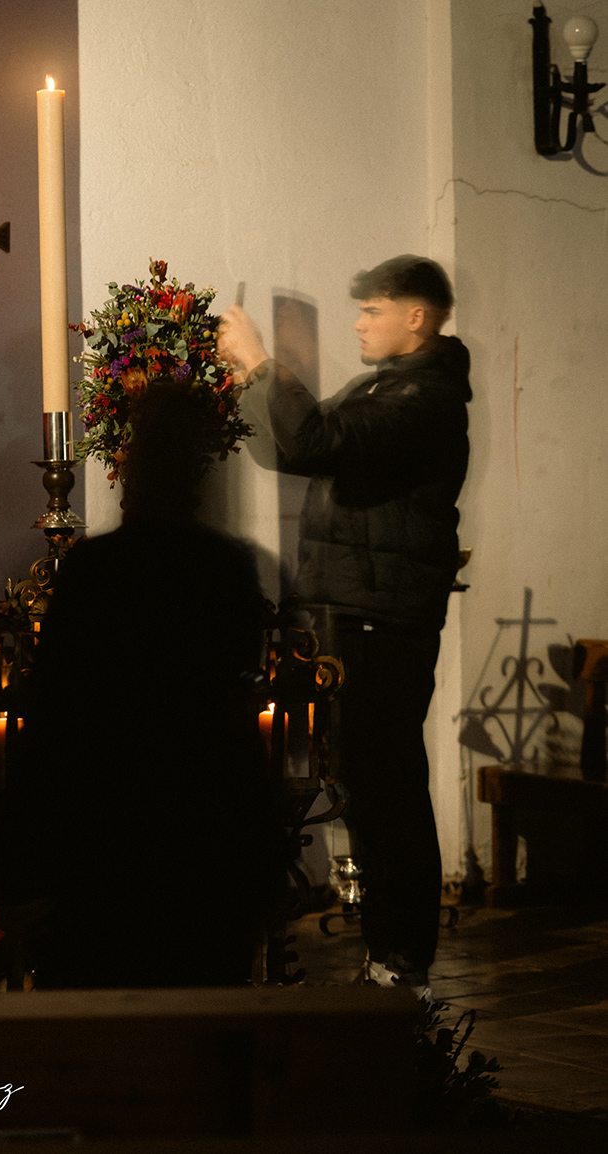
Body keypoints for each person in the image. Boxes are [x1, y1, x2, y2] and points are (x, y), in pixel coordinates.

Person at [218, 255, 470, 993]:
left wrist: (264, 361)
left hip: (383, 617)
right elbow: (291, 450)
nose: (358, 323)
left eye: (372, 310)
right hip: (356, 607)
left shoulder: (424, 398)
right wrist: (251, 384)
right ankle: (389, 954)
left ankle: (402, 960)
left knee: (388, 785)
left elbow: (319, 440)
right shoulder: (383, 387)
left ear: (416, 317)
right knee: (367, 781)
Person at [7, 381, 285, 989]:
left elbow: (51, 717)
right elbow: (235, 710)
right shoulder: (224, 568)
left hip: (103, 835)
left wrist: (25, 865)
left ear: (132, 468)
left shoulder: (95, 570)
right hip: (203, 835)